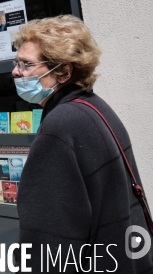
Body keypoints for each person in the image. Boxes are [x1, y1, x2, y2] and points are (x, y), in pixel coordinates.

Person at [12, 15, 153, 272]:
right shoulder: (94, 107)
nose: (15, 71)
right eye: (16, 62)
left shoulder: (61, 125)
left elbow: (49, 240)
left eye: (26, 64)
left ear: (64, 71)